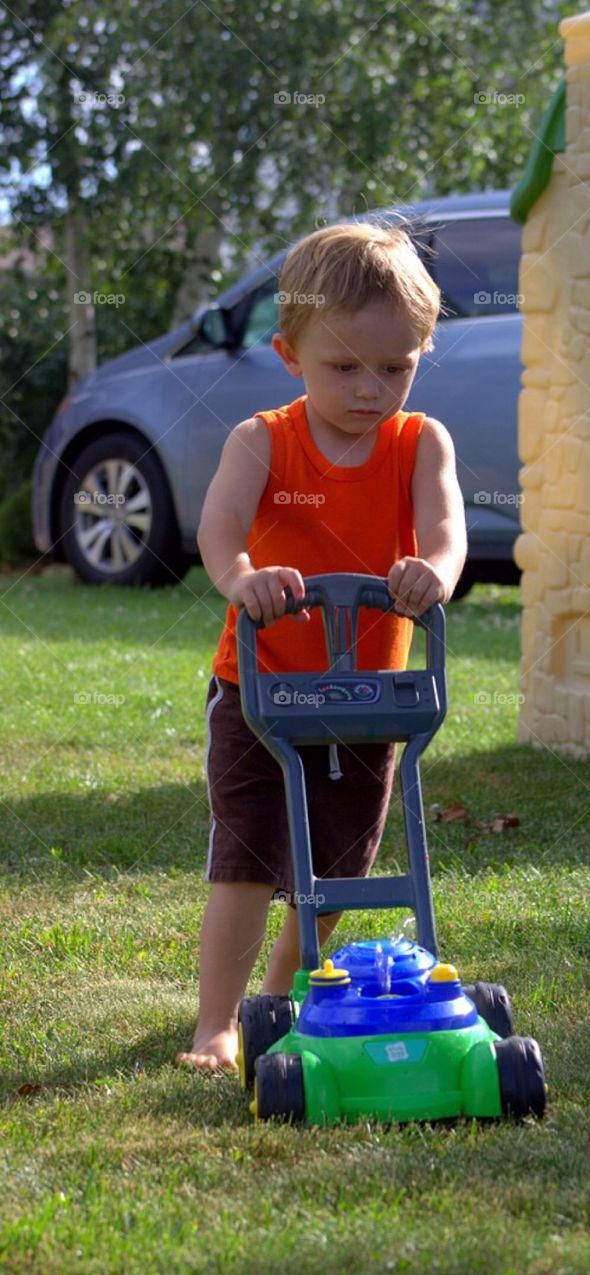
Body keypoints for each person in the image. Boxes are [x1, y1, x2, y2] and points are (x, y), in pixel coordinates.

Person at [176, 220, 467, 1071]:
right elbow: (220, 529)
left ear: (421, 354)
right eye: (345, 368)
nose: (372, 389)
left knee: (339, 863)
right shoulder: (262, 441)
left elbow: (446, 529)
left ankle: (281, 995)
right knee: (246, 857)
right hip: (261, 692)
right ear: (289, 354)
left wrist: (435, 571)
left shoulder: (420, 443)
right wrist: (242, 577)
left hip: (368, 701)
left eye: (396, 368)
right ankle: (216, 1024)